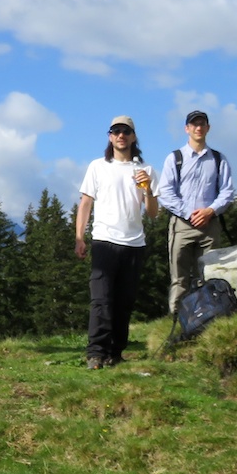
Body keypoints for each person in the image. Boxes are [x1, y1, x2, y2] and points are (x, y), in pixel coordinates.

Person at [74, 115, 159, 369]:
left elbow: (153, 213)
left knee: (124, 302)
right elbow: (85, 203)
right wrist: (79, 237)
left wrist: (148, 189)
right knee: (101, 299)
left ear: (133, 137)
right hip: (104, 240)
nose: (121, 135)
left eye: (126, 131)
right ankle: (95, 353)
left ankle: (116, 352)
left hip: (134, 244)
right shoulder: (97, 166)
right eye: (116, 131)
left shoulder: (146, 170)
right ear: (110, 137)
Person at [157, 110, 236, 313]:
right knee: (179, 278)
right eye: (194, 124)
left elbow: (227, 192)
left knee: (208, 276)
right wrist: (189, 213)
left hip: (210, 225)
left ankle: (209, 319)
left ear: (208, 128)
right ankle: (178, 320)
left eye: (202, 124)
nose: (198, 128)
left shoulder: (218, 159)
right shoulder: (175, 158)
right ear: (187, 129)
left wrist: (210, 211)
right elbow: (165, 192)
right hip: (182, 225)